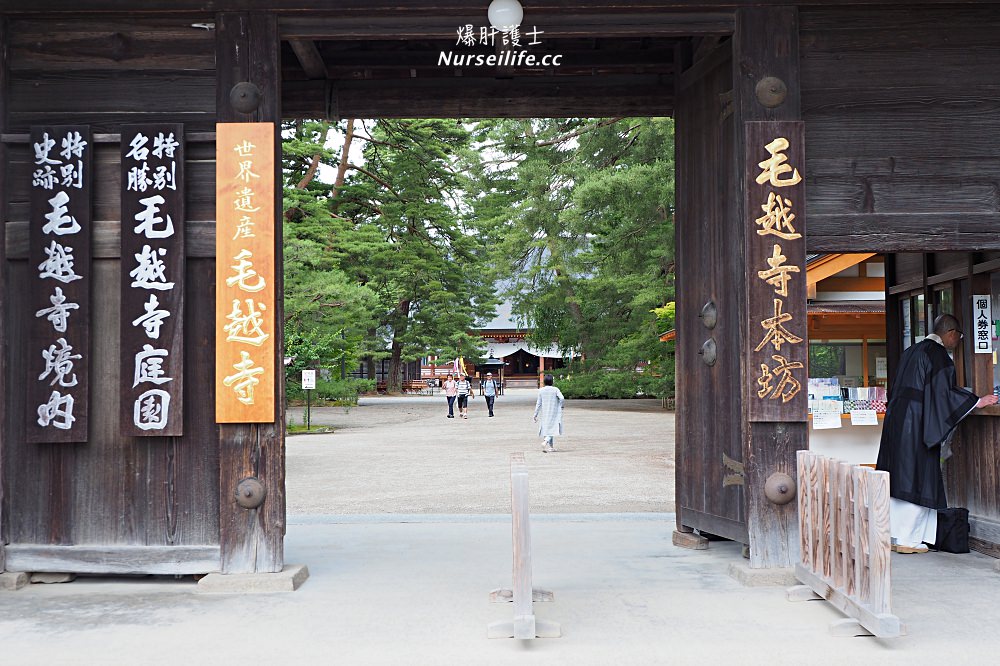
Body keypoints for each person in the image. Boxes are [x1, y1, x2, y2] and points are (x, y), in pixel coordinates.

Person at [875, 314, 998, 553]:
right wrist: (976, 401)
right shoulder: (938, 355)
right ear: (950, 333)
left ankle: (893, 535)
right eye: (959, 337)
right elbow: (944, 396)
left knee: (900, 477)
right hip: (918, 425)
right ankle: (909, 540)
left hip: (898, 422)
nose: (958, 342)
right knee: (919, 479)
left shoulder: (912, 351)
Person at [533, 374, 564, 452]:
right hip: (554, 412)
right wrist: (560, 405)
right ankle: (546, 441)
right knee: (553, 428)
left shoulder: (541, 390)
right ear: (552, 381)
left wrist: (535, 414)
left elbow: (538, 403)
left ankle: (551, 447)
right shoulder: (555, 389)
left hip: (545, 412)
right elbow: (562, 398)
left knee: (548, 429)